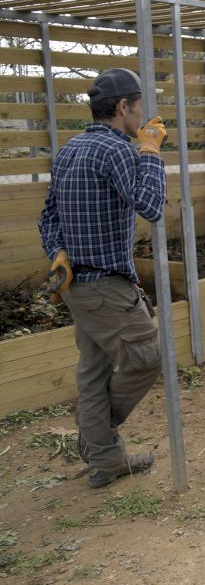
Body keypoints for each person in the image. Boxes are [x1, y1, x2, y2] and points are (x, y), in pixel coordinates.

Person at [37, 68, 167, 489]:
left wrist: (56, 251)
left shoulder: (69, 150)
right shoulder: (118, 151)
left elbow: (47, 216)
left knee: (93, 372)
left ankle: (104, 461)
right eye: (139, 107)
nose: (142, 116)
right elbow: (151, 206)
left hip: (77, 286)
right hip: (107, 288)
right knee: (146, 359)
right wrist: (151, 152)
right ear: (123, 107)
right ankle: (96, 436)